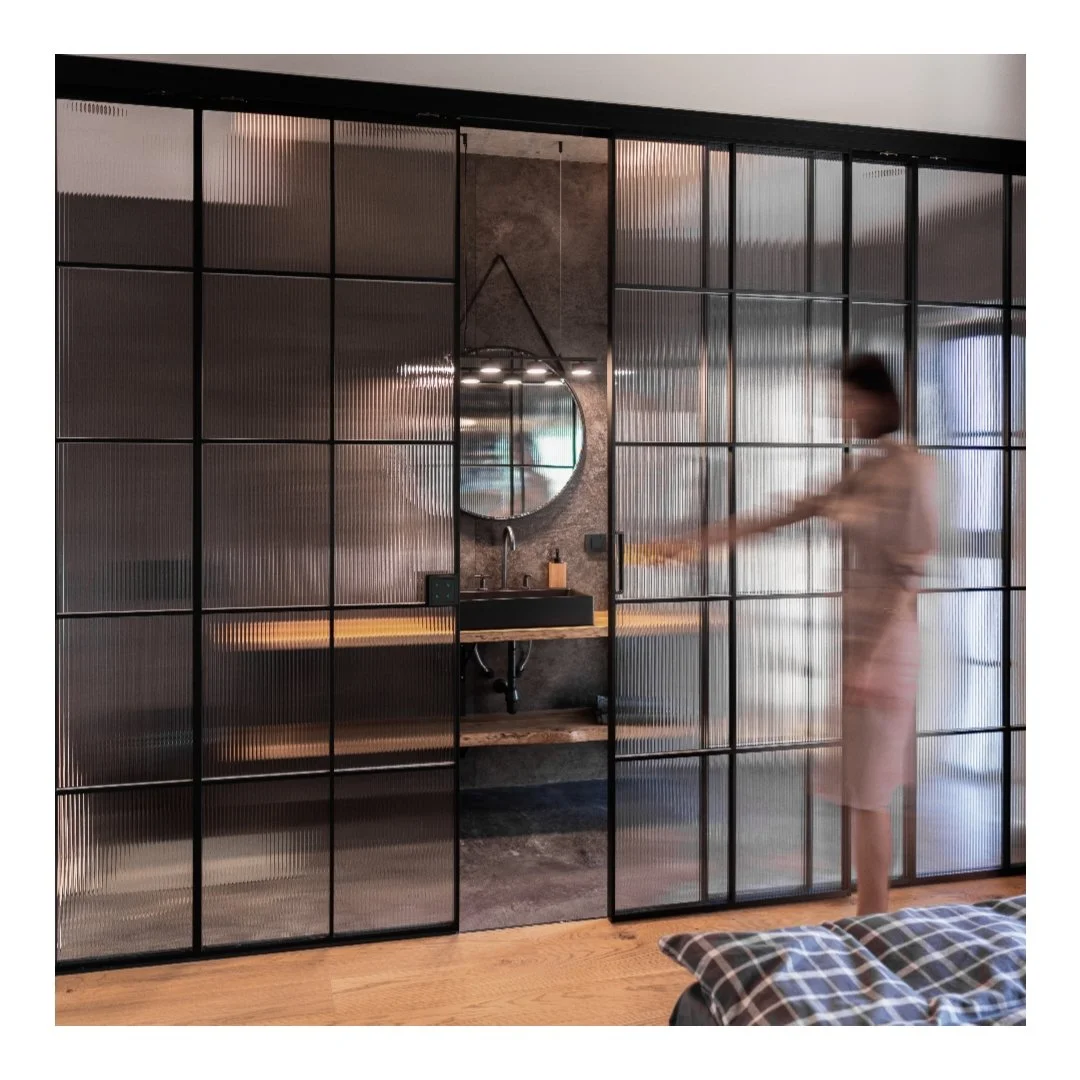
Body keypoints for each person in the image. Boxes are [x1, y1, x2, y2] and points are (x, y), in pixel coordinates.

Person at [650, 355, 937, 915]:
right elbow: (785, 513)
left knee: (869, 790)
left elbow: (911, 573)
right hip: (855, 647)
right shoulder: (866, 469)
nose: (841, 409)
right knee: (860, 791)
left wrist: (870, 663)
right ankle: (869, 917)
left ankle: (873, 920)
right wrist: (695, 541)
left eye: (848, 397)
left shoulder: (913, 470)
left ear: (876, 399)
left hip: (886, 649)